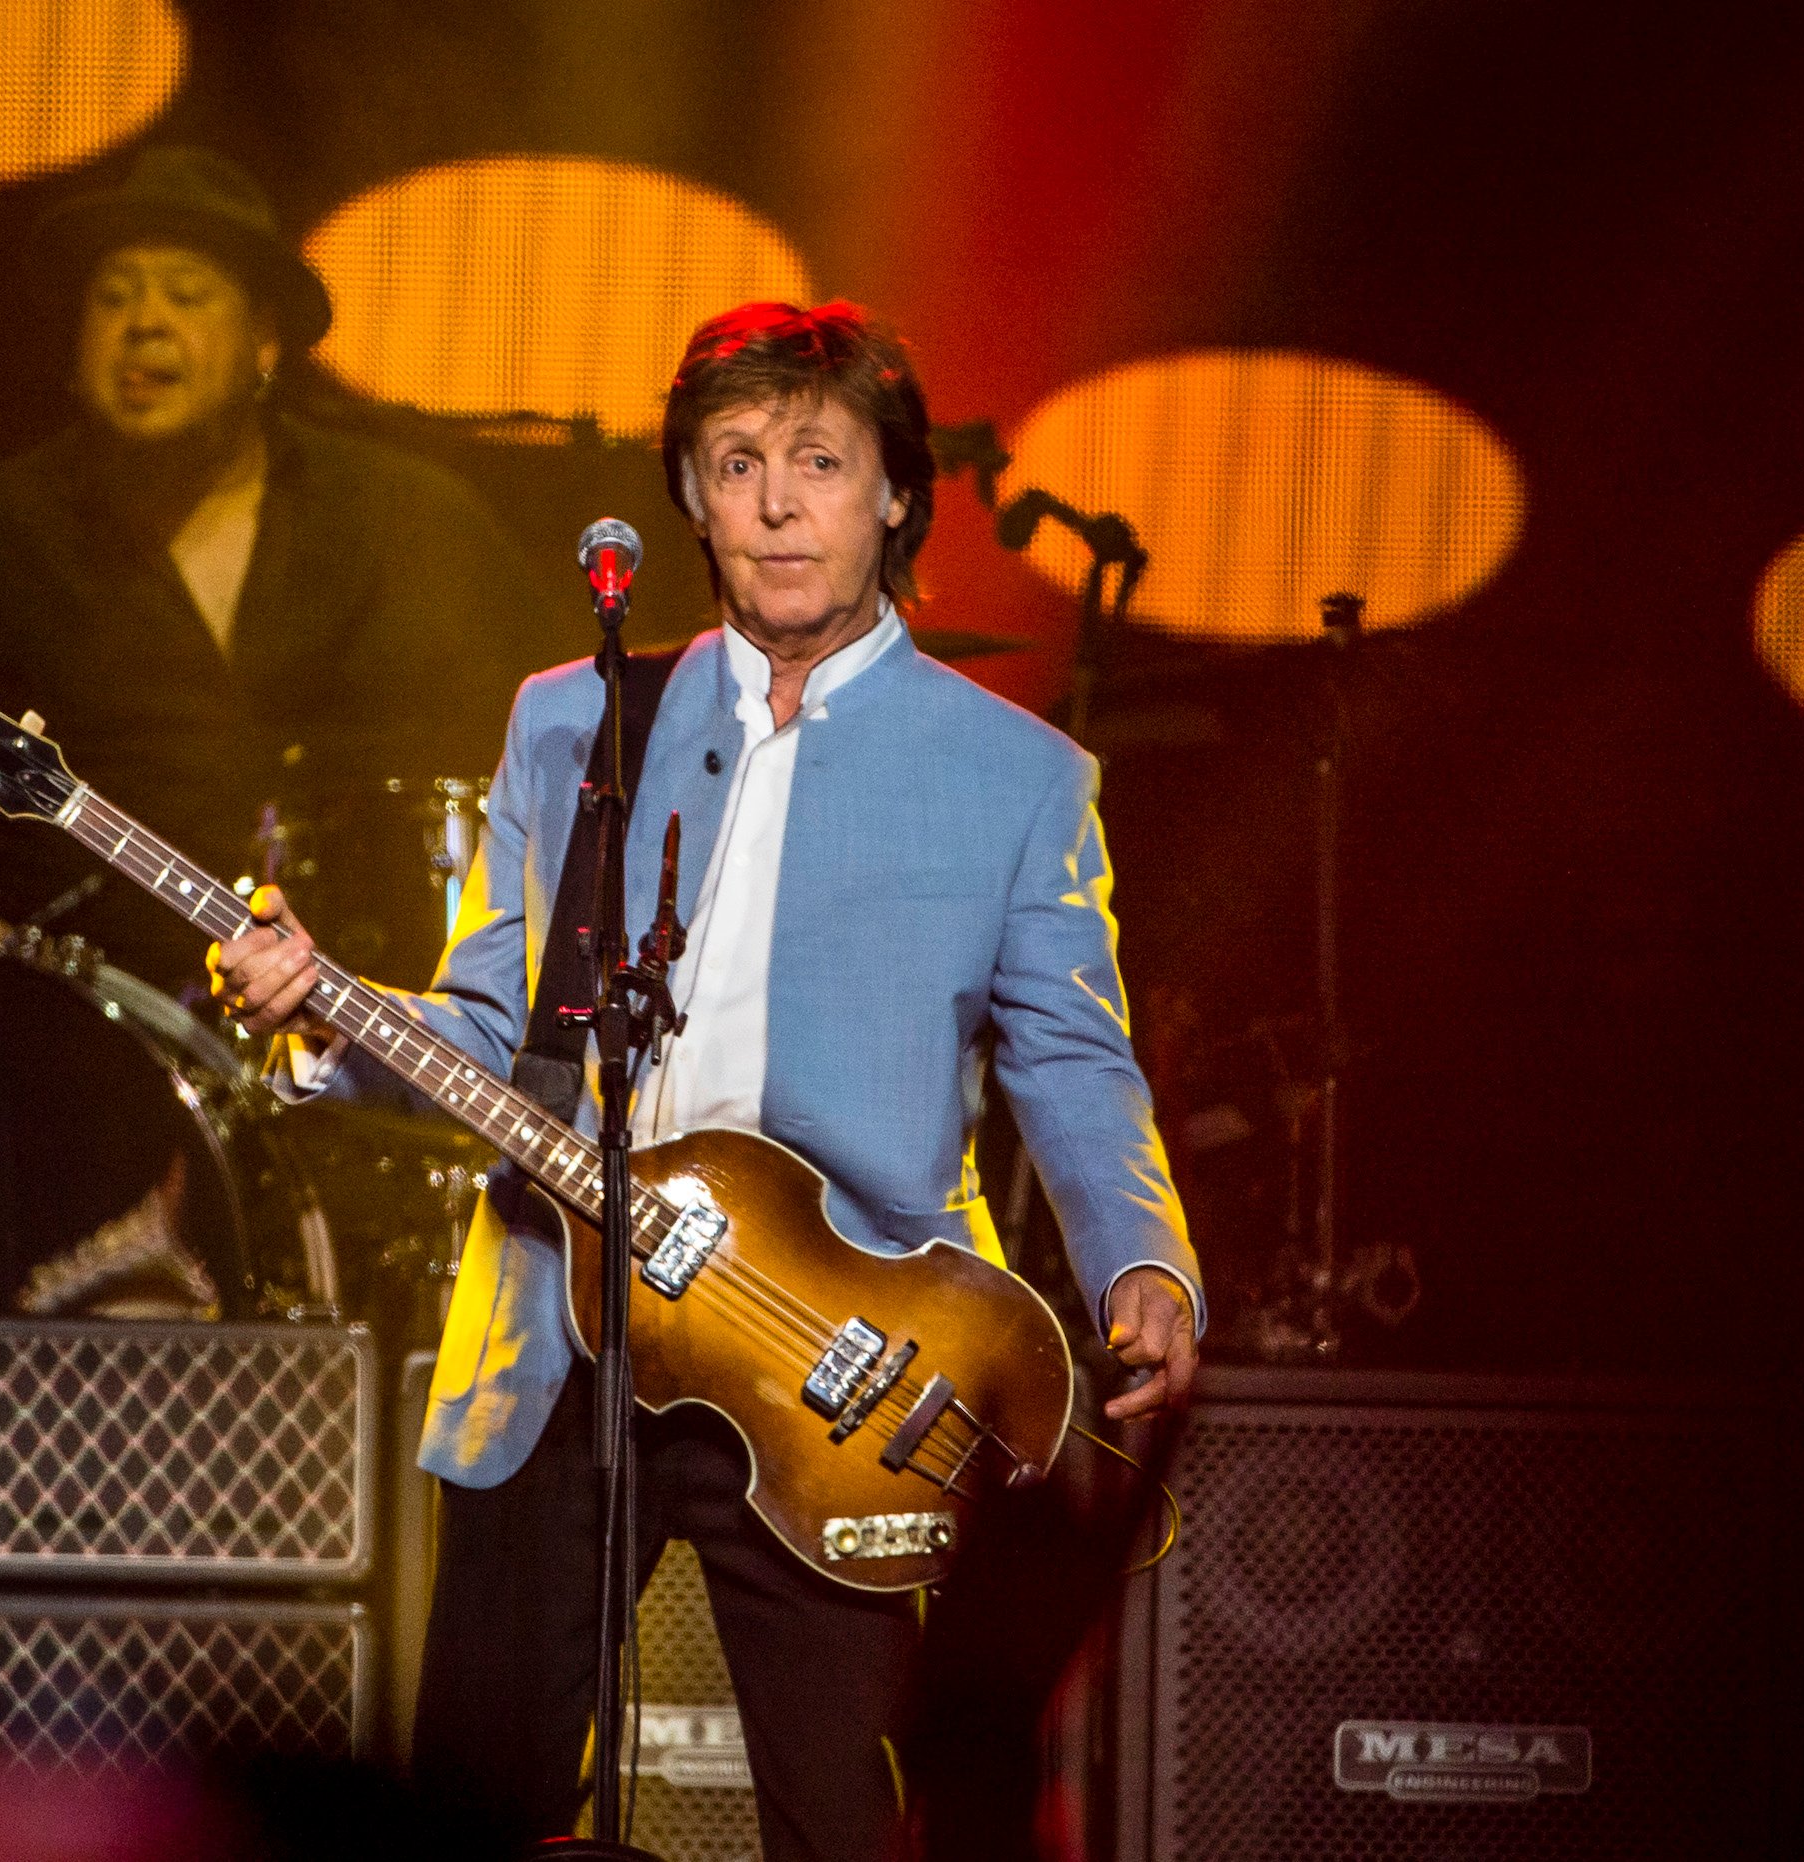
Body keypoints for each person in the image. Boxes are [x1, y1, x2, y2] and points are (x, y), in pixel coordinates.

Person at [215, 300, 1200, 1860]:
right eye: (735, 462)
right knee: (473, 1809)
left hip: (843, 1361)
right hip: (563, 1341)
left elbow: (1072, 1048)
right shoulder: (574, 718)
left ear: (893, 493)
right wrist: (325, 1010)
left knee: (854, 1821)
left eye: (818, 459)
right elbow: (496, 1029)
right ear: (689, 496)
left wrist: (1139, 1254)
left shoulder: (1019, 775)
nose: (776, 500)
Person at [0, 145, 565, 988]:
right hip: (67, 1026)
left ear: (262, 344)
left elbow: (588, 753)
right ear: (75, 354)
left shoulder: (405, 518)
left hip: (386, 1020)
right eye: (111, 298)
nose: (143, 321)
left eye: (186, 294)